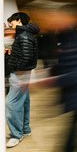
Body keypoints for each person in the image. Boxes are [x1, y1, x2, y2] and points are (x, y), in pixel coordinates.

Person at [6, 12, 40, 148]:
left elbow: (26, 58)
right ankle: (25, 130)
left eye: (12, 22)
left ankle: (16, 135)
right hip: (23, 74)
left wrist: (14, 65)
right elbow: (25, 53)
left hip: (20, 73)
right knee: (24, 101)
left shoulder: (23, 35)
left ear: (18, 20)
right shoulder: (25, 34)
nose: (10, 24)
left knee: (10, 103)